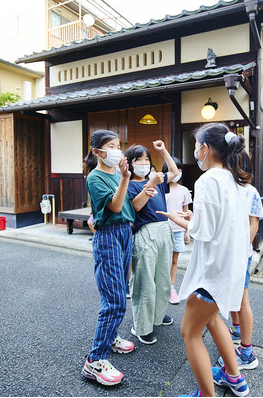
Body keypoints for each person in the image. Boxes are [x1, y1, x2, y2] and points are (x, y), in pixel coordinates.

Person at [157, 123, 251, 397]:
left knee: (189, 332)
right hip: (230, 267)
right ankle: (234, 378)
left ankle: (206, 395)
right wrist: (194, 218)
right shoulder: (234, 178)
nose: (196, 151)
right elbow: (226, 224)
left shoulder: (208, 180)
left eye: (197, 145)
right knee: (210, 320)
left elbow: (205, 231)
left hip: (213, 271)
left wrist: (180, 220)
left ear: (206, 149)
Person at [80, 129, 136, 387]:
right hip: (109, 236)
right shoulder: (96, 177)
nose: (117, 150)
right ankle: (95, 360)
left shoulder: (115, 174)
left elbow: (127, 207)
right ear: (97, 151)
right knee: (114, 301)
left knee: (119, 292)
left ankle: (110, 337)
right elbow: (113, 207)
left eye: (118, 145)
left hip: (125, 233)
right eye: (111, 146)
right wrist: (126, 178)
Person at [125, 140, 180, 345]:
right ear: (130, 163)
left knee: (163, 280)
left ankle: (156, 316)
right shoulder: (128, 183)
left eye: (147, 159)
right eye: (138, 160)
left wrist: (164, 151)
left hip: (164, 230)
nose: (143, 163)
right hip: (145, 232)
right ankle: (141, 326)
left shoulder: (155, 178)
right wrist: (150, 185)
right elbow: (136, 208)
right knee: (144, 283)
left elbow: (174, 173)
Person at [218, 150, 263, 371]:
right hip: (226, 252)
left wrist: (243, 247)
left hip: (240, 254)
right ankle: (236, 330)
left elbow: (253, 224)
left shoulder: (250, 191)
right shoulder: (227, 188)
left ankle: (247, 352)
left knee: (243, 300)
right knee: (234, 295)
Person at [162, 156, 192, 304]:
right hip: (162, 230)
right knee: (162, 261)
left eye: (178, 169)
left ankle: (171, 288)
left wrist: (187, 232)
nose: (176, 172)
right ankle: (161, 288)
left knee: (174, 261)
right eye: (171, 169)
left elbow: (186, 213)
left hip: (178, 230)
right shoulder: (161, 188)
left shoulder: (184, 190)